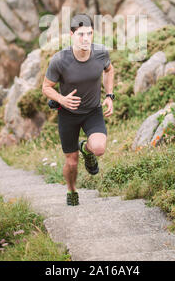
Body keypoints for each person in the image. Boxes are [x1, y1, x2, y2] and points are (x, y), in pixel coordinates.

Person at [42, 13, 115, 206]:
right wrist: (61, 99)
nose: (85, 39)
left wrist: (109, 96)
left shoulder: (100, 53)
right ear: (72, 34)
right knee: (72, 162)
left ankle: (86, 149)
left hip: (92, 111)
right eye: (81, 34)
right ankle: (72, 190)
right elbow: (46, 87)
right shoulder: (59, 60)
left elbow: (109, 70)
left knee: (99, 148)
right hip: (68, 115)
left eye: (89, 34)